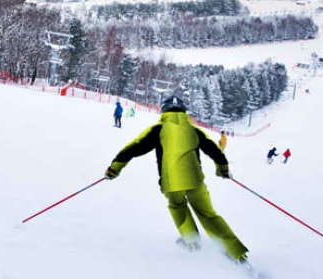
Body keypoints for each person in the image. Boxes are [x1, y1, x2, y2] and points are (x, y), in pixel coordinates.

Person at [104, 95, 250, 264]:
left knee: (178, 207)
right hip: (195, 181)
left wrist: (114, 169)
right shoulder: (194, 130)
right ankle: (236, 252)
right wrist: (223, 170)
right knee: (209, 215)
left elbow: (134, 148)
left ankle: (192, 242)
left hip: (171, 183)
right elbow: (214, 150)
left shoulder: (159, 129)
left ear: (164, 110)